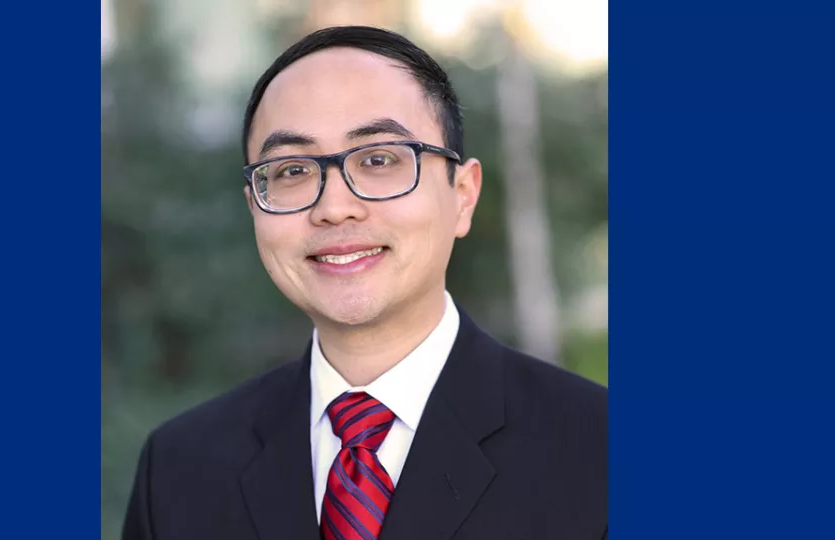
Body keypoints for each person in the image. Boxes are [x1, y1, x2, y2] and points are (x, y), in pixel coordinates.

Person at [122, 25, 607, 540]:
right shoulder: (178, 472)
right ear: (254, 209)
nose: (333, 208)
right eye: (290, 170)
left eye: (378, 159)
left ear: (463, 194)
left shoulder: (602, 452)